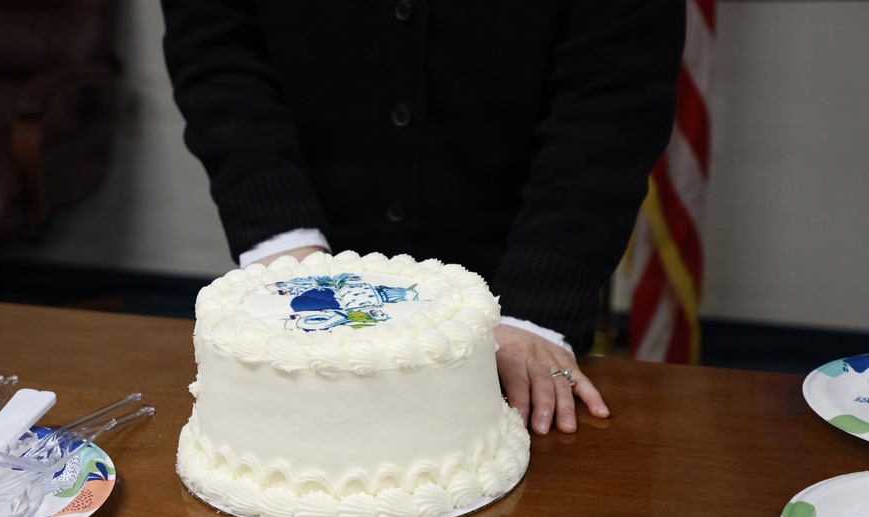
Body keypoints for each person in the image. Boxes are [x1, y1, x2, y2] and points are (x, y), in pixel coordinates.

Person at [160, 0, 685, 434]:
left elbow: (614, 94)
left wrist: (536, 307)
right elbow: (215, 43)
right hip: (301, 265)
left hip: (520, 281)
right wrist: (283, 239)